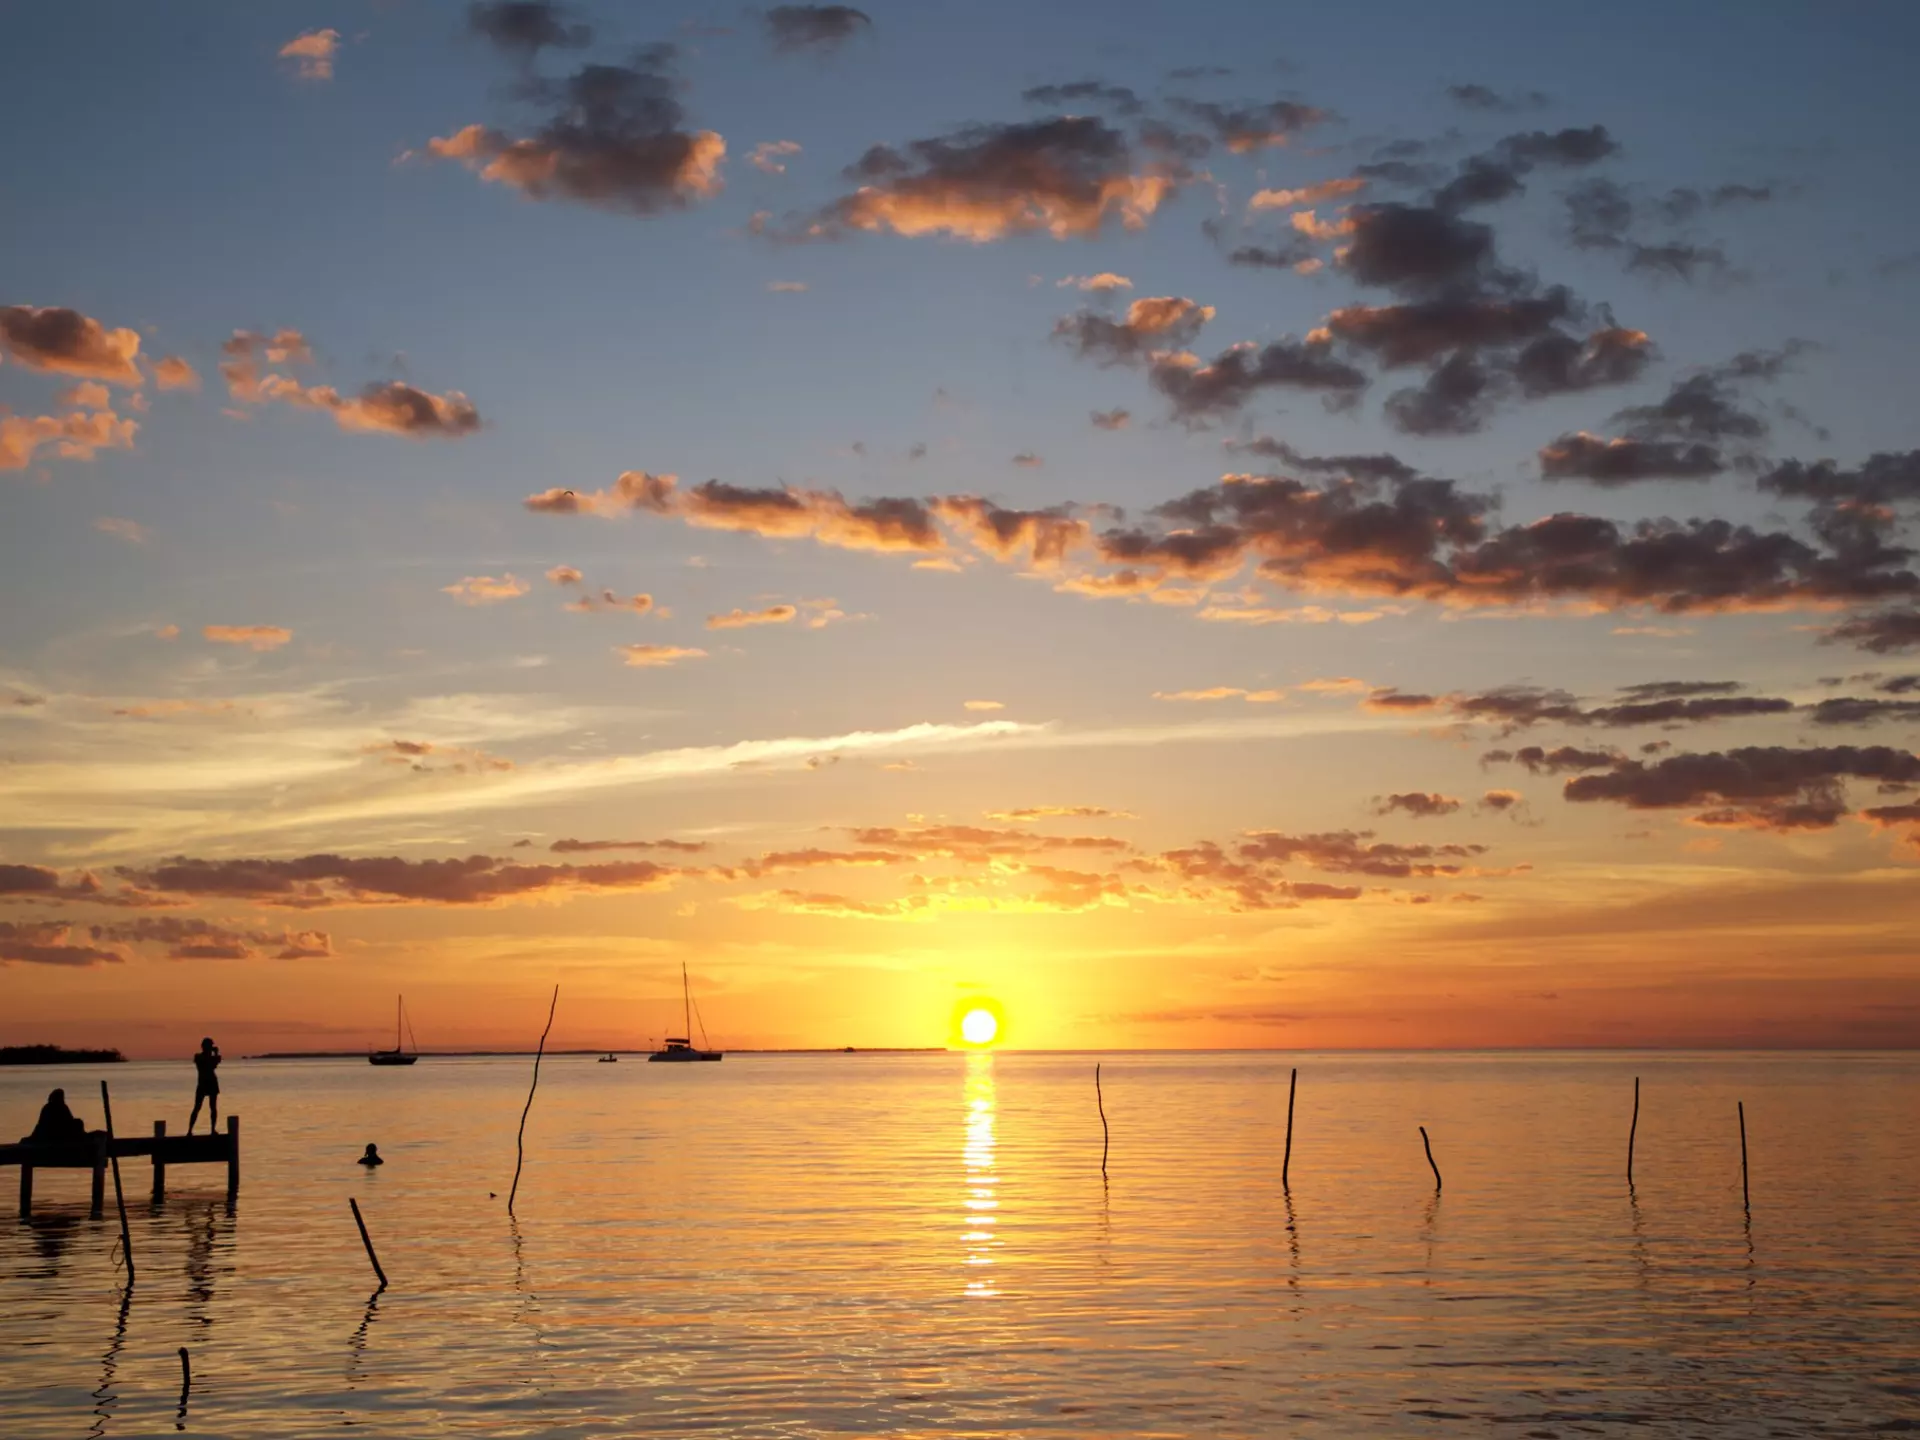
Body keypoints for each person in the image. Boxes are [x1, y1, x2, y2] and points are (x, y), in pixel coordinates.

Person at [187, 1036, 221, 1134]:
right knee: (197, 1107)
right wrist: (214, 1054)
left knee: (213, 1107)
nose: (210, 1048)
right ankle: (190, 1130)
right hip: (203, 1084)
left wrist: (215, 1053)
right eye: (209, 1046)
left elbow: (214, 1064)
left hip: (211, 1083)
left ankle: (212, 1129)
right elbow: (209, 1064)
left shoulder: (213, 1057)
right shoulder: (198, 1057)